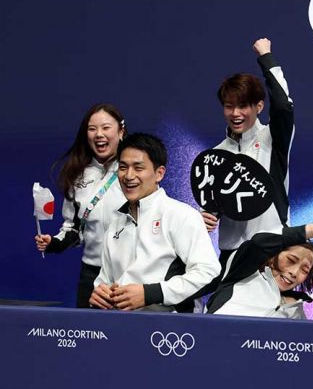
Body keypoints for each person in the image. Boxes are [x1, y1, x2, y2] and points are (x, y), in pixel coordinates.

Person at [90, 133, 221, 312]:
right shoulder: (114, 226)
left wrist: (150, 294)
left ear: (159, 173)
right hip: (120, 323)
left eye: (138, 168)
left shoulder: (181, 215)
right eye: (123, 167)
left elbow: (209, 273)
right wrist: (100, 292)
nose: (128, 176)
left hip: (171, 325)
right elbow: (105, 281)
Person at [203, 38, 294, 266]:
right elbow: (214, 205)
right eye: (229, 106)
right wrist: (205, 217)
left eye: (243, 106)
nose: (235, 113)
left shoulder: (273, 137)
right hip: (231, 256)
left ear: (259, 107)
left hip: (272, 251)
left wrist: (266, 58)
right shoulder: (217, 154)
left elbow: (283, 105)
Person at [35, 103, 127, 308]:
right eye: (92, 129)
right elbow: (73, 228)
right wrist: (53, 243)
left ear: (121, 131)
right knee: (89, 328)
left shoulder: (133, 171)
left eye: (106, 127)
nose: (99, 134)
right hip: (91, 274)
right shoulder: (77, 174)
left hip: (130, 272)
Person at [206, 212, 313, 318]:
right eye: (291, 260)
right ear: (272, 256)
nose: (294, 272)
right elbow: (258, 242)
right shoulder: (242, 271)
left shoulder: (296, 309)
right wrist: (311, 231)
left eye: (304, 270)